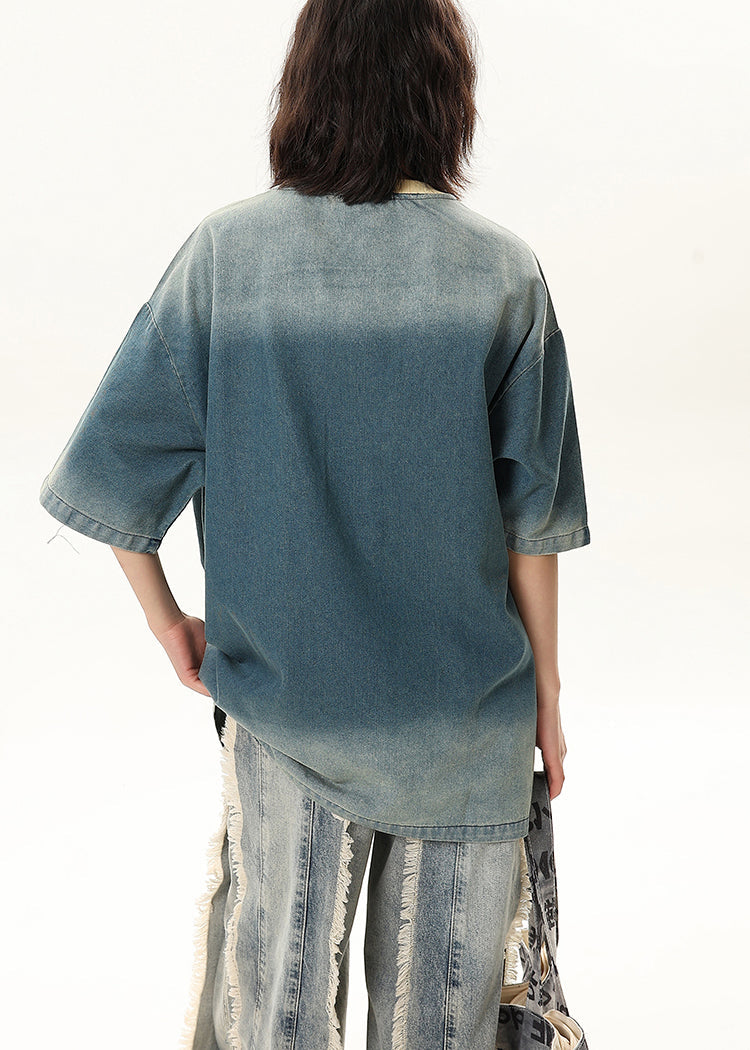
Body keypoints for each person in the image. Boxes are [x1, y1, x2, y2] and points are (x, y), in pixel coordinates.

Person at [38, 1, 591, 1047]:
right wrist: (547, 696)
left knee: (274, 1019)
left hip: (285, 715)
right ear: (447, 94)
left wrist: (171, 625)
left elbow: (109, 479)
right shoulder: (501, 271)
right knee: (444, 1029)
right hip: (464, 725)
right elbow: (535, 524)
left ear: (305, 85)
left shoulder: (225, 256)